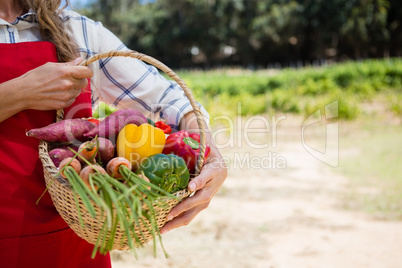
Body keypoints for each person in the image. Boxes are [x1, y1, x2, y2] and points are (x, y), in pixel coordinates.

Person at [0, 0, 227, 267]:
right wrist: (19, 92)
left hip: (74, 243)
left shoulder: (74, 30)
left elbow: (169, 100)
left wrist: (210, 154)